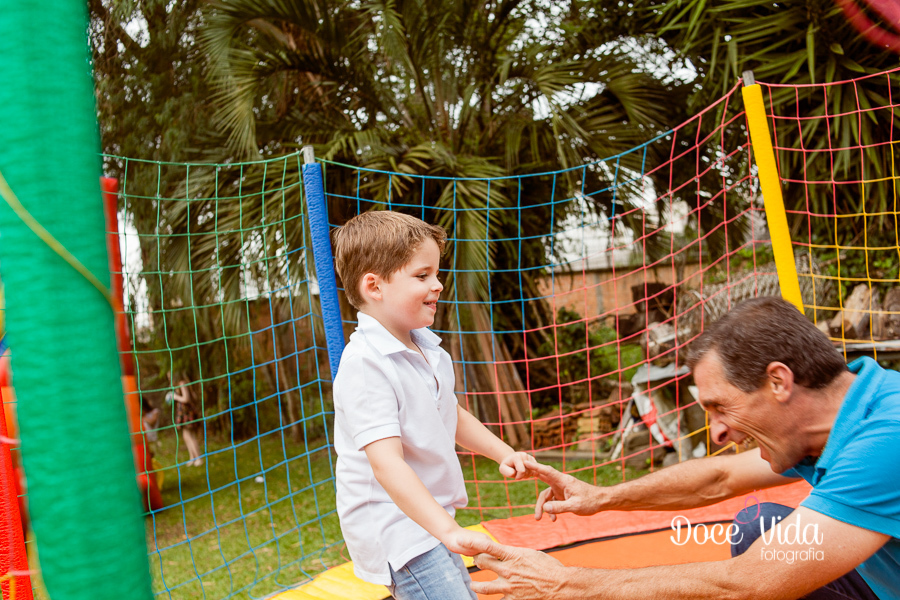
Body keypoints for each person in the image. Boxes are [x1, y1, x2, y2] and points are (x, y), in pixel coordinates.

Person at [468, 296, 899, 600]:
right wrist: (601, 498)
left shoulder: (887, 436)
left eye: (720, 407)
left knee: (762, 566)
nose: (717, 433)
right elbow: (720, 478)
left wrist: (565, 584)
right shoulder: (835, 417)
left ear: (778, 382)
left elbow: (748, 583)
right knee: (757, 524)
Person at [331, 211, 537, 600]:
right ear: (374, 286)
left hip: (430, 518)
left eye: (437, 274)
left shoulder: (428, 348)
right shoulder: (366, 364)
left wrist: (503, 452)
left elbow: (448, 412)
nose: (438, 285)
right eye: (422, 275)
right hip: (395, 526)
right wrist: (447, 530)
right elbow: (386, 464)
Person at [171, 373, 204, 467]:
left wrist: (175, 397)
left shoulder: (182, 383)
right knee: (186, 435)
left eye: (170, 377)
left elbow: (186, 398)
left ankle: (199, 458)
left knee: (190, 435)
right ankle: (192, 457)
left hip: (187, 413)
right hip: (183, 413)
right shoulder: (178, 385)